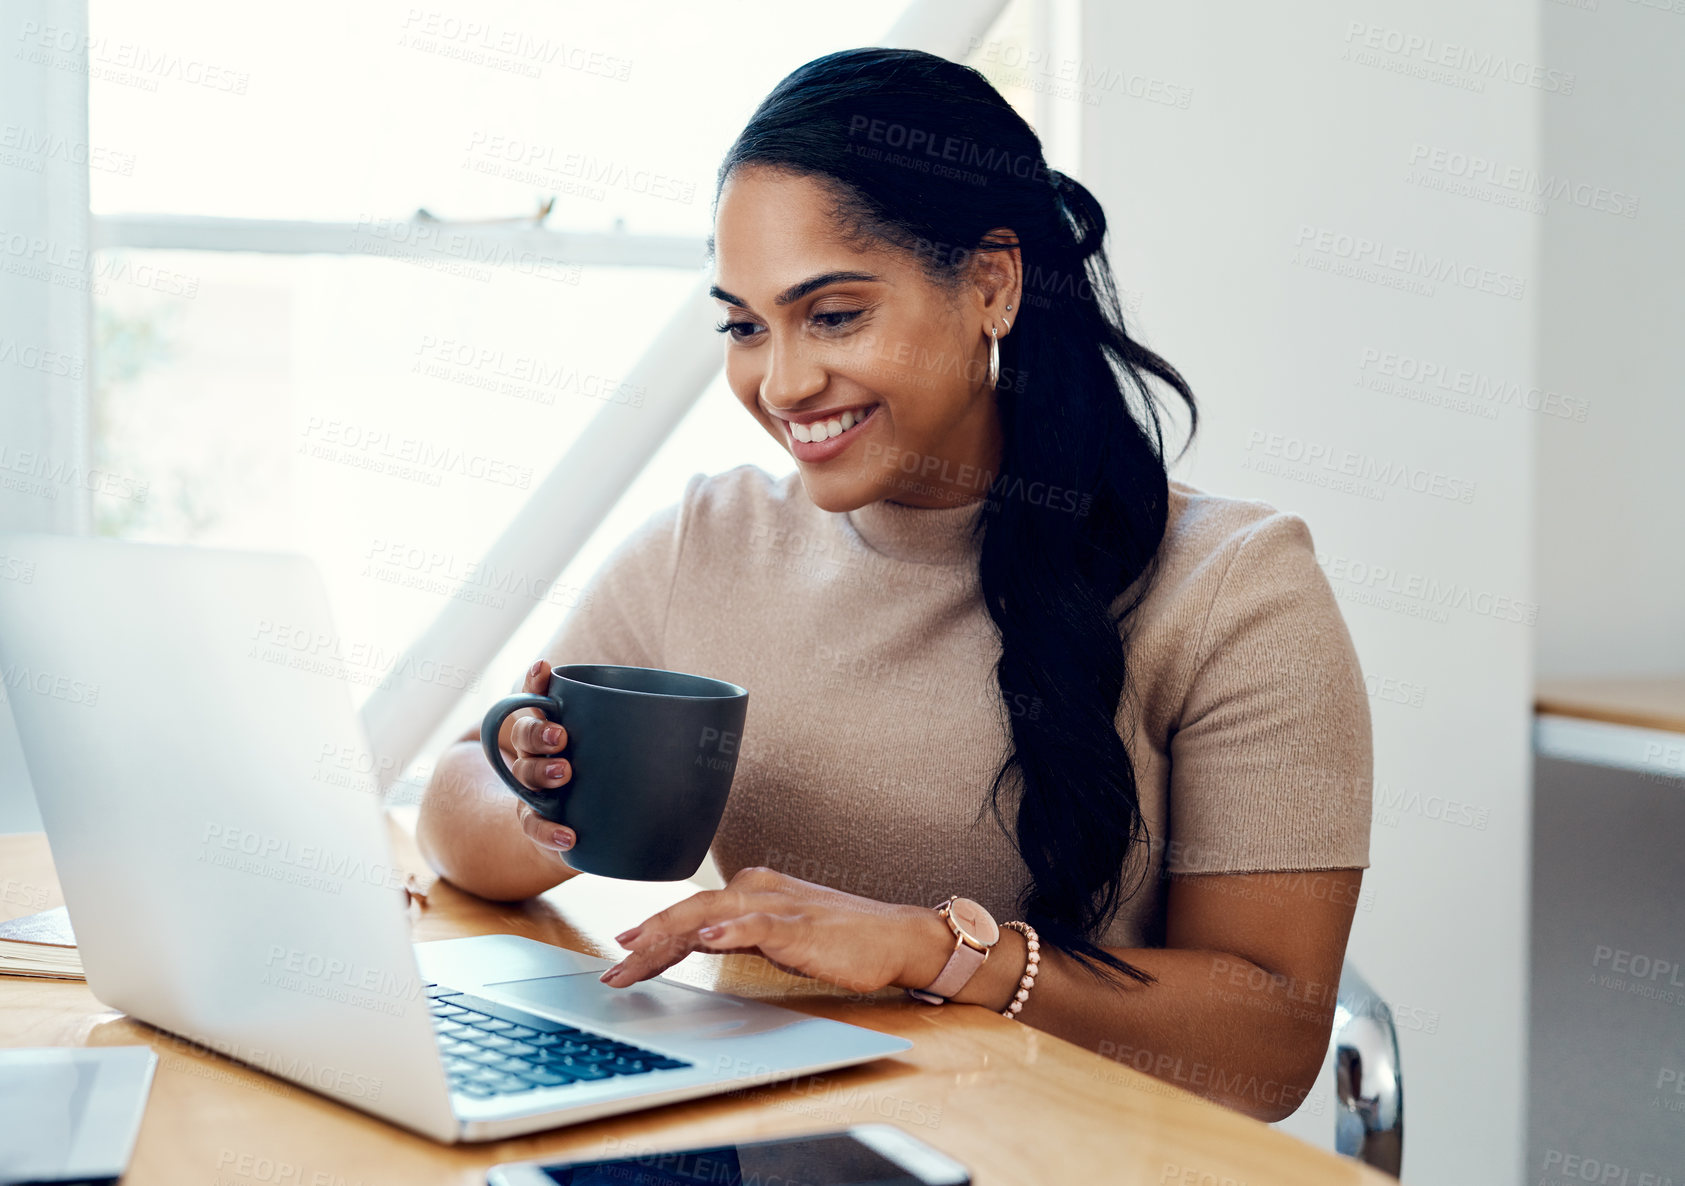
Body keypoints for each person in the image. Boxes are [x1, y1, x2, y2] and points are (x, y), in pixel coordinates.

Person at [417, 47, 1371, 1123]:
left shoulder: (1235, 590)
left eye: (831, 316)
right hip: (786, 1139)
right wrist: (539, 794)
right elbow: (460, 803)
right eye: (743, 325)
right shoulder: (709, 538)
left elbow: (1271, 1039)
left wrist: (933, 948)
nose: (778, 384)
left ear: (991, 284)